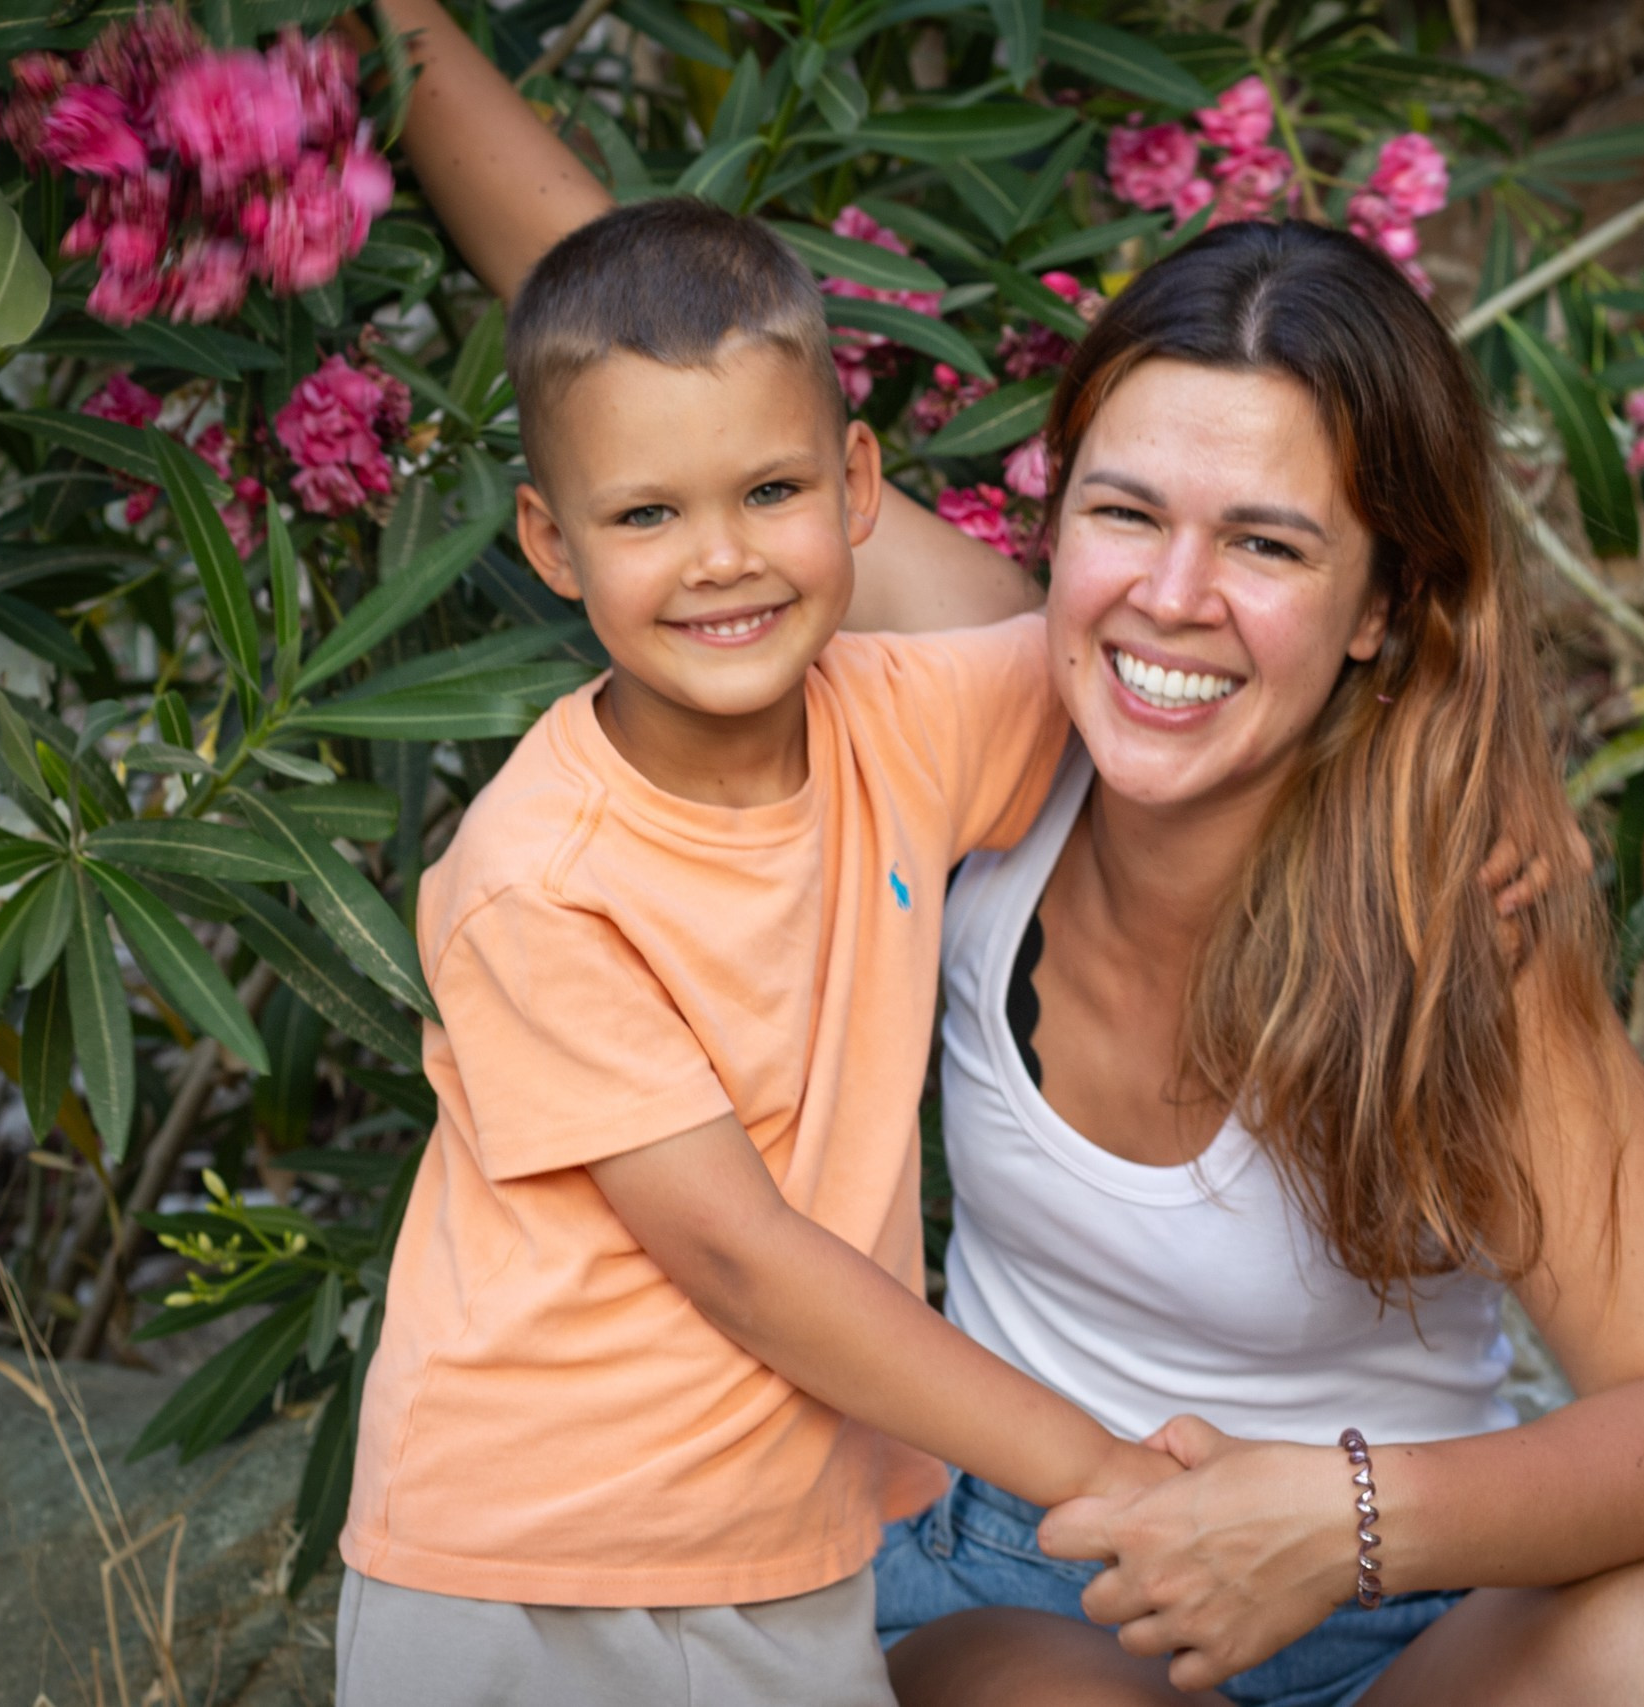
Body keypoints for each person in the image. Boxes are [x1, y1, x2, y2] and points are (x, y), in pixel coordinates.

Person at [371, 4, 1644, 1702]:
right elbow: (647, 356)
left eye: (1268, 542)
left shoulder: (1451, 923)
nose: (1171, 599)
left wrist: (1345, 1521)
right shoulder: (975, 704)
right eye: (1126, 512)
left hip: (1410, 1597)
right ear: (1052, 521)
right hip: (1039, 1578)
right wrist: (382, 28)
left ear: (1384, 605)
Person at [337, 198, 1177, 1707]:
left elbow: (1147, 665)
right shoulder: (541, 878)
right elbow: (742, 1255)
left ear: (858, 484)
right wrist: (1105, 1470)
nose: (722, 560)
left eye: (770, 488)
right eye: (647, 515)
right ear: (552, 541)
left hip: (786, 1546)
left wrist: (1461, 769)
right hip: (527, 1566)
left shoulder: (902, 725)